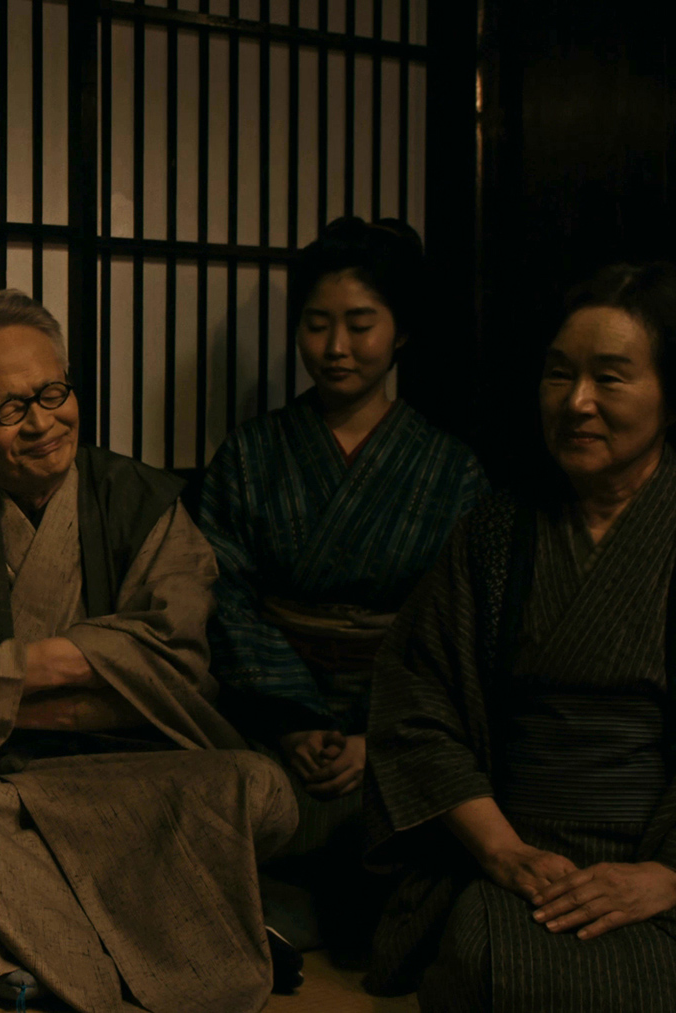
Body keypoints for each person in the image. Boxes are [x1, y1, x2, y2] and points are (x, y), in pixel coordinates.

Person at [0, 289, 300, 1013]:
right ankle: (170, 922)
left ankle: (6, 946)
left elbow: (177, 657)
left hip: (130, 770)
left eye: (54, 392)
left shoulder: (140, 500)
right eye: (11, 409)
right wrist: (54, 670)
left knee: (261, 790)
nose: (44, 422)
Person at [364, 262, 676, 1010]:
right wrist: (502, 851)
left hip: (659, 863)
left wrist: (666, 876)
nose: (577, 402)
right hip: (517, 855)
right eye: (559, 374)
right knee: (482, 963)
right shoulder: (500, 531)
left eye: (611, 377)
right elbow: (416, 701)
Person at [196, 217, 486, 956]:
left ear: (402, 331)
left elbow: (451, 624)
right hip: (266, 717)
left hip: (396, 724)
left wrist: (372, 732)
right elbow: (221, 592)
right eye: (317, 324)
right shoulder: (250, 454)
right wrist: (293, 718)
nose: (335, 348)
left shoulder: (452, 471)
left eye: (360, 325)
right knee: (197, 784)